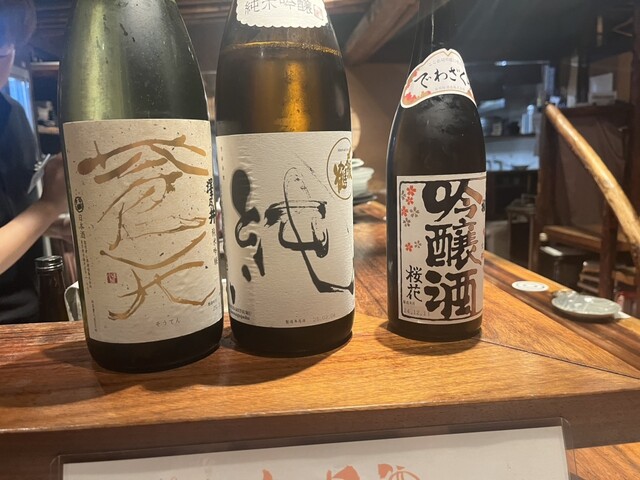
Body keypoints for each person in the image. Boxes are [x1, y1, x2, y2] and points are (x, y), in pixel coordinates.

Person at [1, 0, 70, 323]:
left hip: (34, 311)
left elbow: (12, 218)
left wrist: (53, 223)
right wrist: (48, 206)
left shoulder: (11, 114)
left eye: (6, 48)